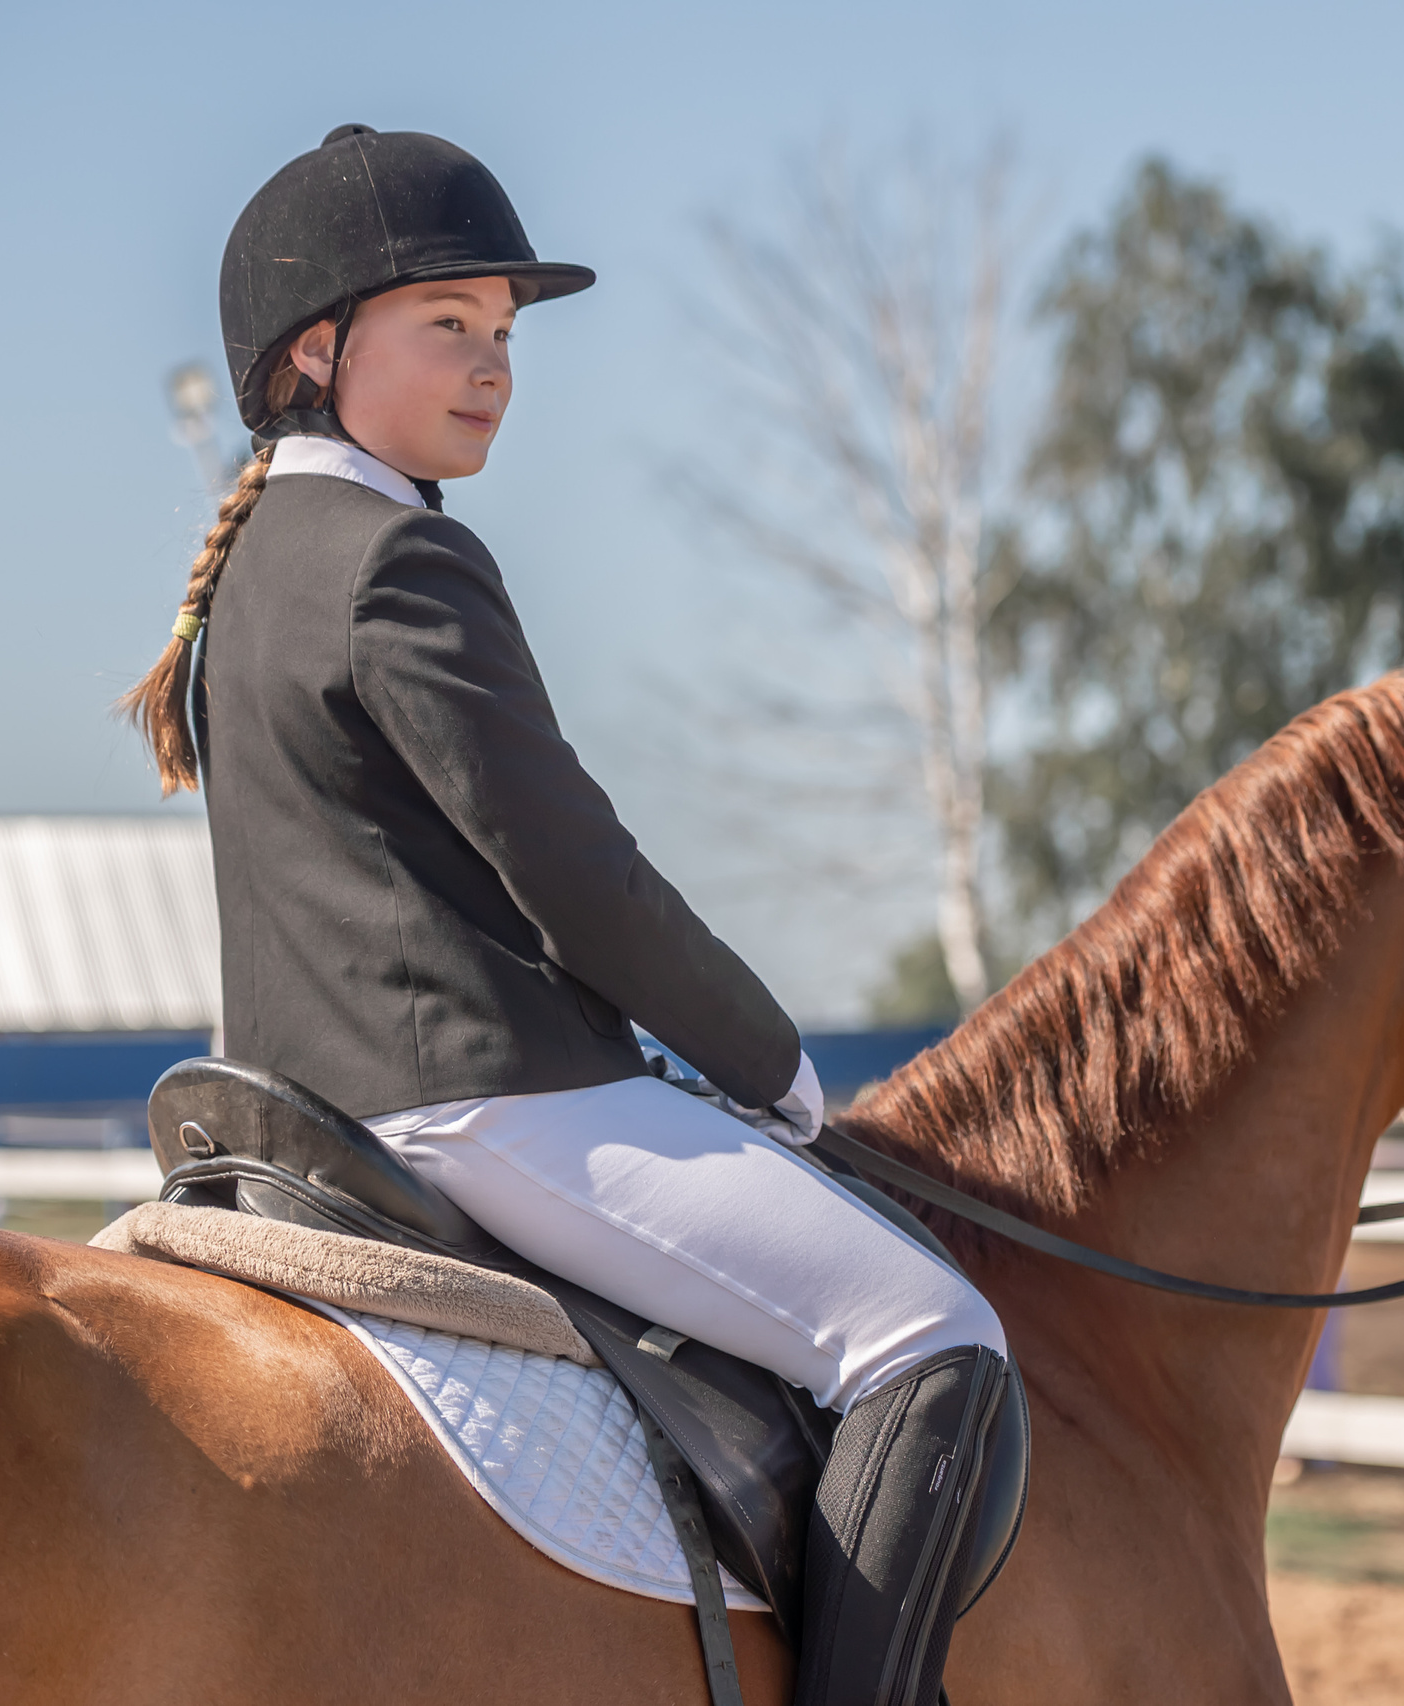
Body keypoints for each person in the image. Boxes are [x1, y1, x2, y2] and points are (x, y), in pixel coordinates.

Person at [121, 125, 1009, 1706]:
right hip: (482, 1095)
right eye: (448, 326)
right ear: (316, 352)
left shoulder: (255, 562)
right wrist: (770, 1062)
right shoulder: (398, 557)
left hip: (323, 1099)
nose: (494, 368)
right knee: (928, 1329)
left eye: (507, 334)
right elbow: (573, 871)